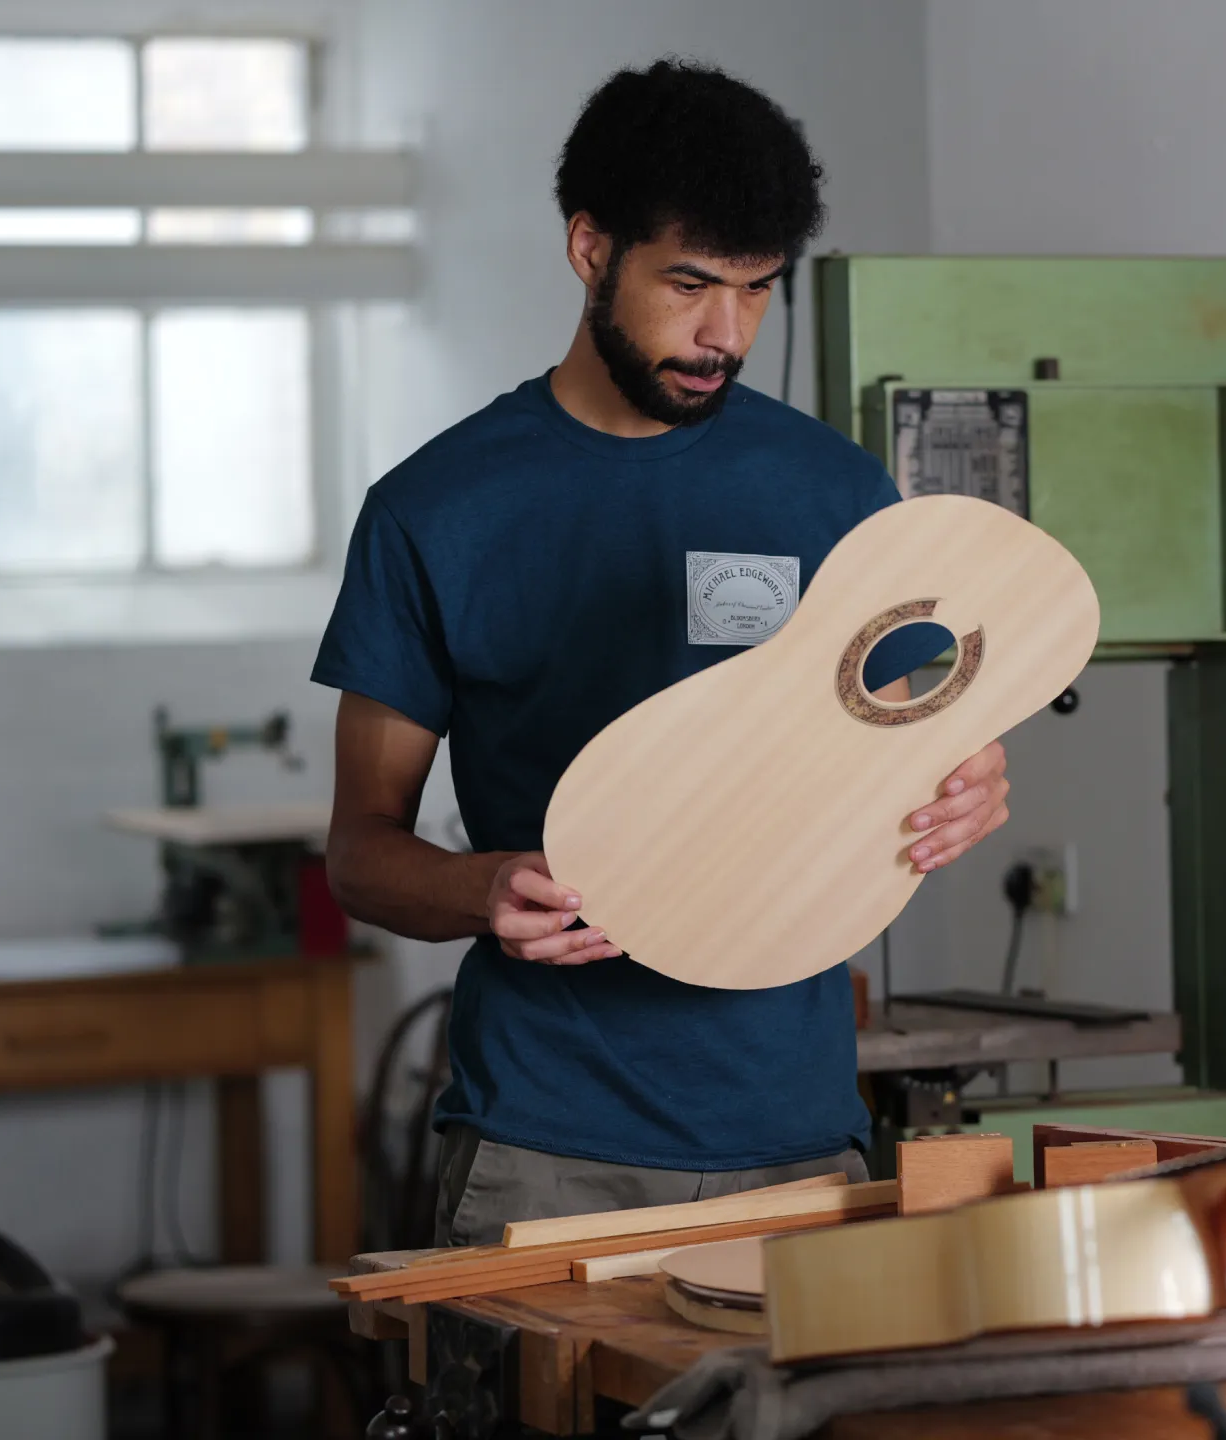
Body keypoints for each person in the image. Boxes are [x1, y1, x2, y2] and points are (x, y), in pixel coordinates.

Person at [312, 60, 1012, 1246]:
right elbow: (360, 852)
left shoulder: (832, 489)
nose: (723, 334)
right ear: (590, 248)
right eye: (688, 283)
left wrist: (967, 780)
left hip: (796, 1137)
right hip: (544, 1145)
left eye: (756, 291)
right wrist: (482, 888)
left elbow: (919, 733)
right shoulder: (435, 510)